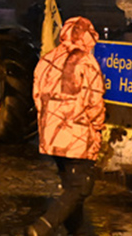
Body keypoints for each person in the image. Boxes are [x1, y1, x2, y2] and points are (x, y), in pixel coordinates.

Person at [28, 16, 105, 236]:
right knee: (80, 187)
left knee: (72, 187)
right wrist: (97, 127)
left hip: (52, 136)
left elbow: (36, 96)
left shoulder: (47, 59)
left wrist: (48, 124)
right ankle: (42, 227)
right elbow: (94, 102)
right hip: (78, 134)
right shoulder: (86, 62)